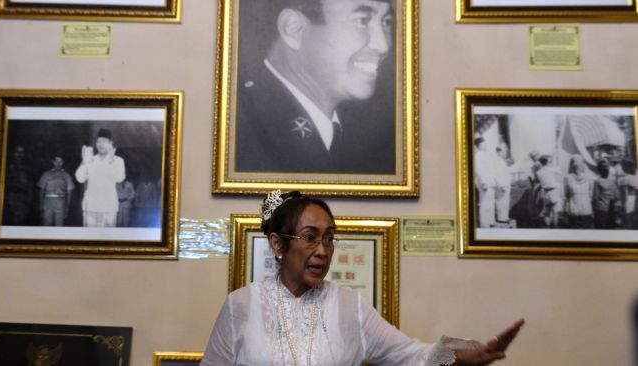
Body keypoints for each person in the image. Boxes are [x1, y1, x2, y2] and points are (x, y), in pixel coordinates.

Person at [201, 190, 524, 365]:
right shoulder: (240, 305)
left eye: (328, 238)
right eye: (310, 237)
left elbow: (413, 356)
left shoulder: (348, 306)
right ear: (277, 244)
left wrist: (472, 357)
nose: (322, 251)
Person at [235, 0, 395, 174]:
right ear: (294, 29)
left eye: (386, 22)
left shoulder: (373, 135)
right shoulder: (240, 133)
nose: (383, 46)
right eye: (362, 20)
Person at [75, 128, 126, 227]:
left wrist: (111, 161)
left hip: (109, 208)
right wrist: (84, 162)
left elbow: (120, 178)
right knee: (89, 239)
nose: (101, 144)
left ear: (111, 143)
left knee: (108, 239)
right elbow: (80, 179)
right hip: (90, 207)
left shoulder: (118, 160)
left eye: (104, 141)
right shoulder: (90, 159)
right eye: (98, 141)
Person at [37, 154, 75, 226]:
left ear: (63, 162)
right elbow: (41, 191)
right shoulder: (46, 174)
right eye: (56, 161)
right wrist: (41, 206)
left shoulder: (67, 175)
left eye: (60, 161)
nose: (58, 163)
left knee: (59, 226)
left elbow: (69, 193)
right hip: (47, 202)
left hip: (60, 203)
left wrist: (67, 207)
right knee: (46, 225)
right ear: (53, 162)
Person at [3, 145, 33, 225]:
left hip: (21, 200)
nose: (19, 154)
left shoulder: (28, 169)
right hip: (9, 199)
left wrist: (28, 202)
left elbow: (30, 187)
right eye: (17, 152)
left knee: (19, 221)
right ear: (13, 153)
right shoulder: (5, 166)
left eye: (22, 152)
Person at [562, 155, 594, 229]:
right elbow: (591, 195)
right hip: (586, 210)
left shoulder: (567, 178)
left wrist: (564, 212)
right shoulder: (589, 177)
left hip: (573, 211)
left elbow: (565, 197)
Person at [592, 160, 619, 229]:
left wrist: (593, 209)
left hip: (601, 209)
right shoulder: (613, 181)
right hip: (611, 209)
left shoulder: (597, 181)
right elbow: (616, 196)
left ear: (599, 170)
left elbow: (595, 197)